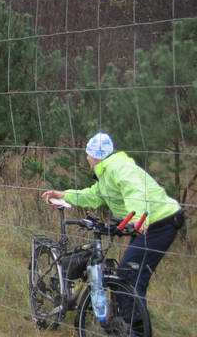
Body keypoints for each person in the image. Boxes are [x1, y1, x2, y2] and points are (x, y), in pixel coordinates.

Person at [42, 132, 184, 321]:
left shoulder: (119, 168)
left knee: (128, 276)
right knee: (132, 275)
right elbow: (93, 195)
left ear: (94, 156)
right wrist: (64, 194)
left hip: (159, 223)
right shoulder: (107, 174)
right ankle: (127, 325)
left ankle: (134, 333)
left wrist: (137, 218)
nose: (86, 159)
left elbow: (134, 190)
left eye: (87, 155)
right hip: (148, 224)